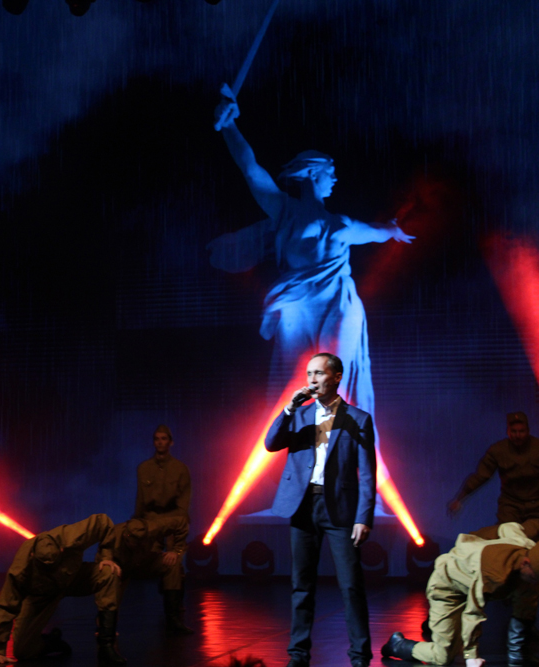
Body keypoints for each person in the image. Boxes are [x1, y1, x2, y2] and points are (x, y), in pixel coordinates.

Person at [211, 91, 414, 416]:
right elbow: (251, 169)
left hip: (338, 301)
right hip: (298, 301)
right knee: (297, 379)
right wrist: (230, 126)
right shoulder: (285, 210)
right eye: (330, 172)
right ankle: (300, 435)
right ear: (311, 173)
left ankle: (338, 435)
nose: (335, 178)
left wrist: (391, 229)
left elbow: (374, 231)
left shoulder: (342, 223)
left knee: (334, 373)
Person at [264, 352, 376, 667]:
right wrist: (289, 408)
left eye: (319, 373)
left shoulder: (358, 419)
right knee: (301, 584)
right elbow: (271, 443)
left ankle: (360, 655)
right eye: (309, 374)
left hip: (339, 508)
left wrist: (363, 517)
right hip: (302, 506)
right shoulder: (298, 415)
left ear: (337, 377)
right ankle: (298, 654)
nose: (312, 380)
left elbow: (368, 473)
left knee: (351, 585)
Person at [382, 522, 539, 667]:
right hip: (449, 588)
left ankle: (518, 655)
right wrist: (471, 655)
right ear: (525, 563)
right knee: (442, 657)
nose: (535, 582)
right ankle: (397, 645)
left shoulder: (528, 548)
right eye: (534, 577)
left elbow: (510, 527)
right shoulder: (494, 571)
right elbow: (474, 613)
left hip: (473, 578)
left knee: (527, 596)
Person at [0, 514, 124, 665]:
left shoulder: (70, 536)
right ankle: (51, 642)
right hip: (42, 596)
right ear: (33, 556)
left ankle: (106, 645)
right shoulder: (20, 569)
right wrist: (0, 650)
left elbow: (103, 522)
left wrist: (106, 557)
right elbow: (6, 605)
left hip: (72, 578)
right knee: (22, 651)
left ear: (61, 548)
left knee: (109, 572)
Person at [97, 516, 194, 635]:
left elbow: (181, 523)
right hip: (121, 567)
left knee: (172, 564)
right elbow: (103, 563)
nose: (136, 544)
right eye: (133, 542)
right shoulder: (112, 536)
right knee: (109, 579)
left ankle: (173, 621)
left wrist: (176, 551)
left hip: (144, 562)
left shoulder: (155, 526)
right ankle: (105, 627)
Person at [448, 412, 539, 524]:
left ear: (528, 431)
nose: (517, 435)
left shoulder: (537, 447)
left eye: (521, 431)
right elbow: (480, 476)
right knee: (507, 530)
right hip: (511, 505)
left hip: (536, 503)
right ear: (508, 432)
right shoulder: (498, 450)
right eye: (514, 431)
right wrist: (459, 499)